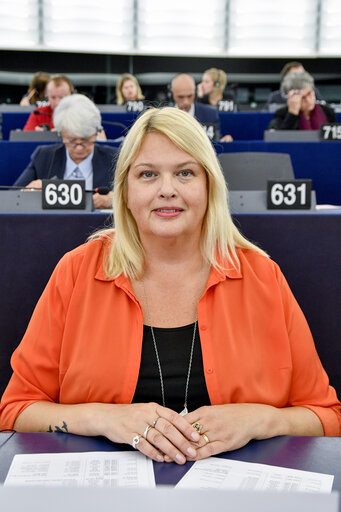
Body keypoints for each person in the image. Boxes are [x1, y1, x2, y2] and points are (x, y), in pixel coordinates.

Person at [1, 107, 340, 464]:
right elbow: (15, 410)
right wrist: (102, 417)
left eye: (185, 173)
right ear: (125, 190)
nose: (167, 190)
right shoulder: (76, 271)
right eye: (147, 174)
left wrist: (261, 420)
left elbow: (326, 417)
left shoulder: (262, 276)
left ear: (209, 186)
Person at [14, 94, 117, 209]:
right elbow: (12, 198)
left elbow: (135, 196)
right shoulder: (43, 157)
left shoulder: (114, 158)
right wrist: (29, 191)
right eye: (72, 141)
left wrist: (114, 200)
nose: (79, 147)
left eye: (86, 140)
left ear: (96, 133)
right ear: (61, 134)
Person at [170, 73, 233, 142]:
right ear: (172, 93)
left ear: (195, 91)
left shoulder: (210, 114)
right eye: (180, 97)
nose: (186, 102)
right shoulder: (163, 116)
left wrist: (223, 141)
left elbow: (216, 142)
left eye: (190, 96)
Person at [268, 71, 336, 130]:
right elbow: (280, 140)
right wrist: (292, 114)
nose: (308, 100)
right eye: (303, 97)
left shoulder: (328, 112)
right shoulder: (281, 115)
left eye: (310, 94)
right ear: (291, 98)